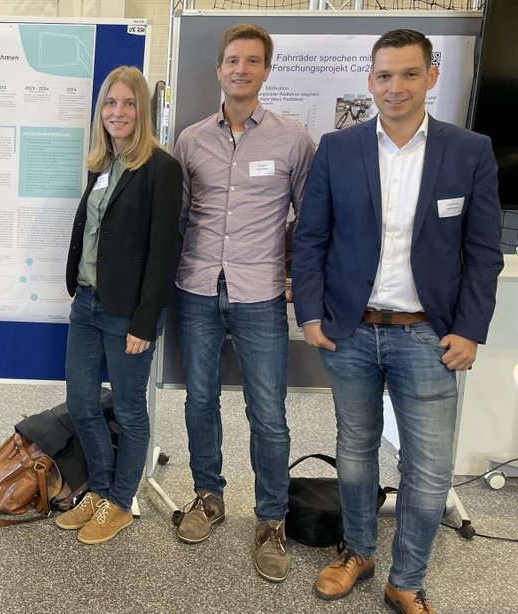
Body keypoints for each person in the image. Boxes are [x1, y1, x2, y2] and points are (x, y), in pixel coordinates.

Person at [293, 29, 503, 614]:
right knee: (356, 450)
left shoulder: (469, 151)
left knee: (429, 469)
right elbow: (310, 239)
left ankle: (406, 580)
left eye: (410, 73)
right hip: (351, 331)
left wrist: (470, 328)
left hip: (428, 335)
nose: (396, 87)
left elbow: (483, 252)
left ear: (432, 76)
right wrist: (309, 312)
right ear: (370, 80)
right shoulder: (339, 148)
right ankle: (358, 552)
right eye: (384, 75)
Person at [171, 23, 315, 582]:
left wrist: (292, 273)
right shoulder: (190, 140)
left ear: (266, 71)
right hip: (197, 288)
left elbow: (309, 219)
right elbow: (181, 217)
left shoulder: (293, 139)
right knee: (200, 401)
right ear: (219, 69)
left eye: (253, 61)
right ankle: (208, 496)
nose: (241, 69)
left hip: (260, 294)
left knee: (268, 414)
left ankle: (271, 518)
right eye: (233, 60)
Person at [53, 65, 182, 544]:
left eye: (129, 103)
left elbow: (163, 252)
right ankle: (100, 490)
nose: (118, 112)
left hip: (128, 312)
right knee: (81, 403)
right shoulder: (102, 165)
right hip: (87, 303)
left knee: (128, 411)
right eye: (110, 103)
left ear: (142, 110)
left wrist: (145, 322)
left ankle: (121, 501)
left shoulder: (161, 168)